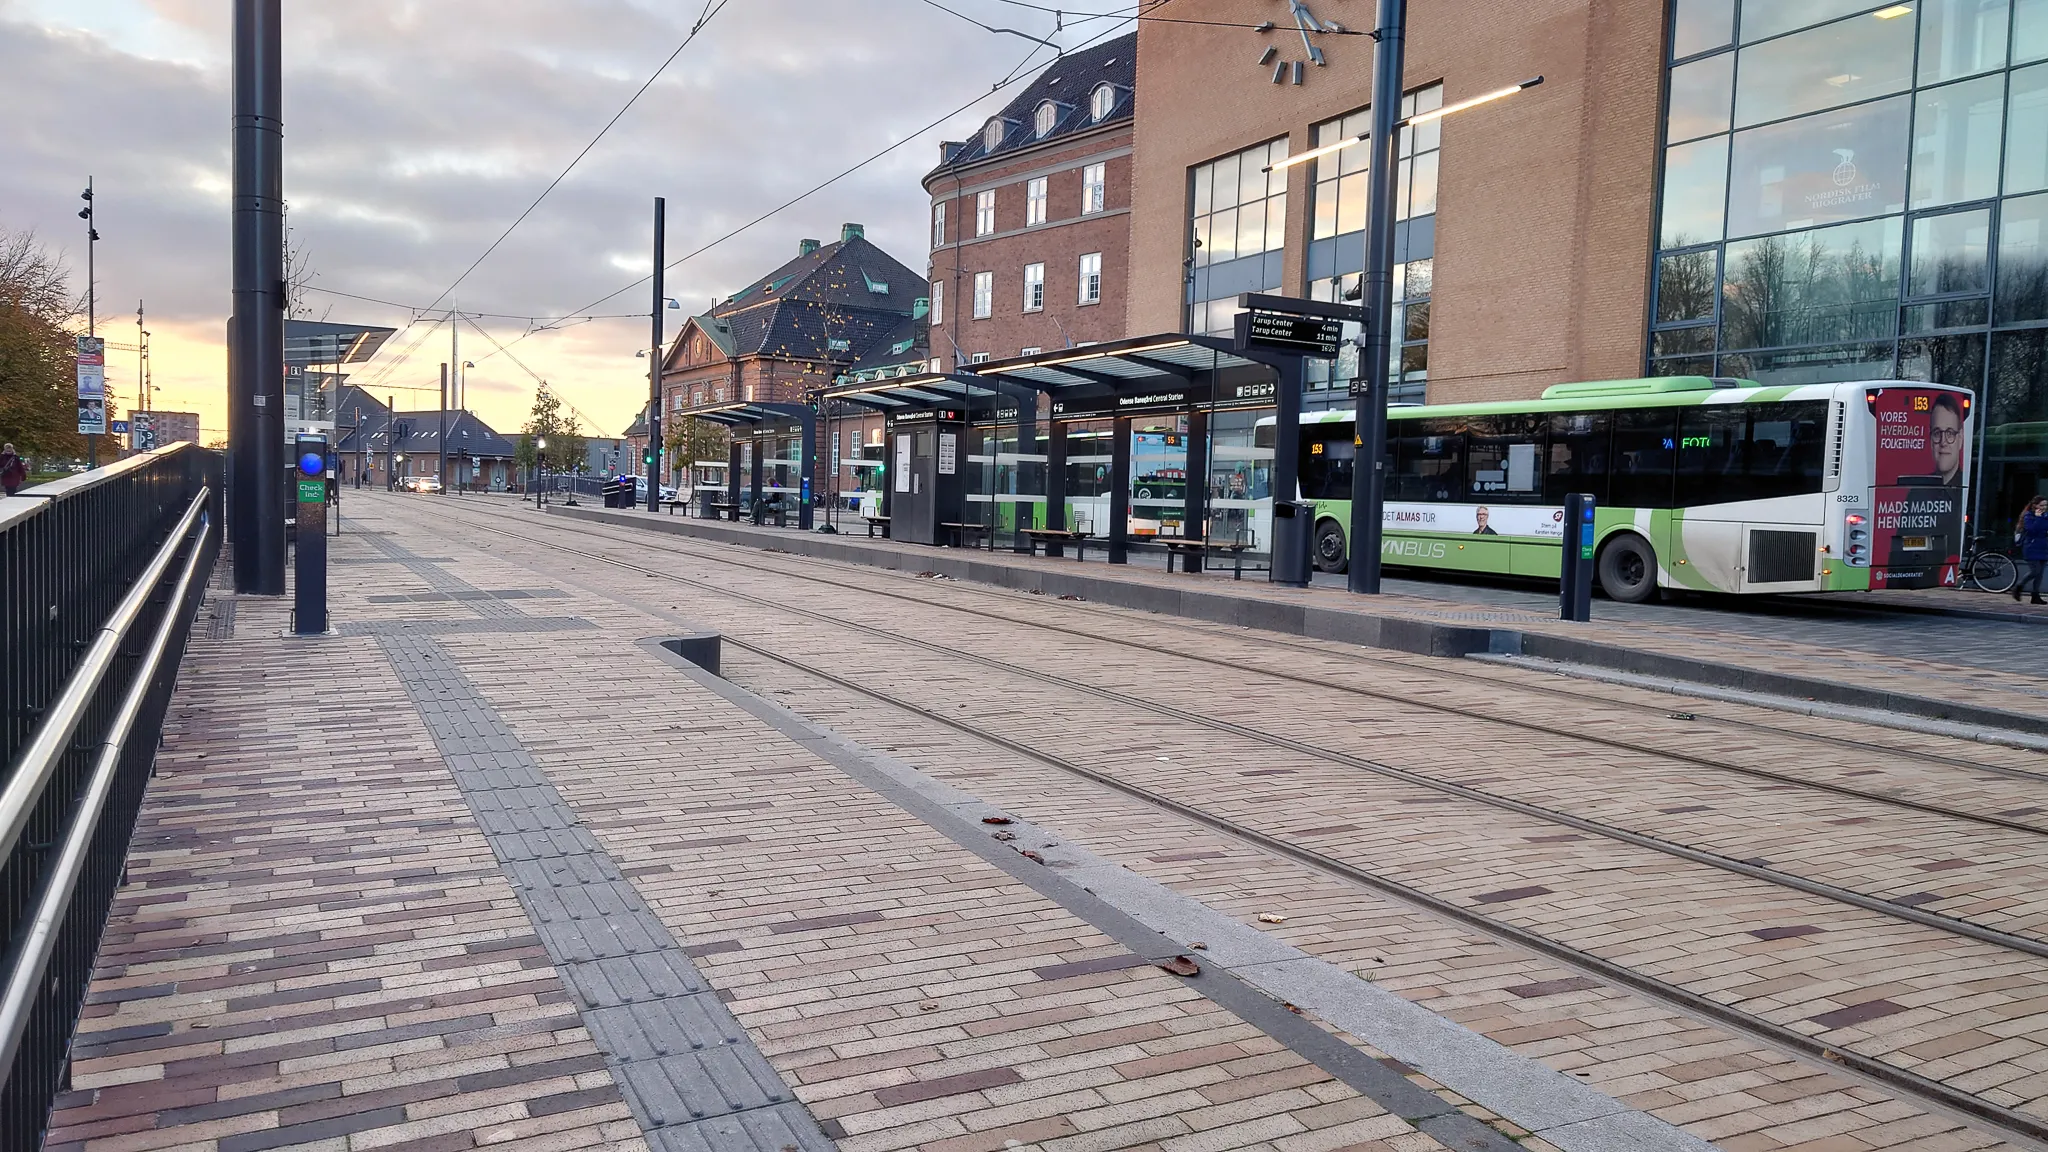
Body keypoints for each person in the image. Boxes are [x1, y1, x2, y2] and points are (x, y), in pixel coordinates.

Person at [2017, 496, 2048, 604]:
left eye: (2045, 505)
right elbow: (2032, 530)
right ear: (2035, 506)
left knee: (2040, 574)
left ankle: (2035, 596)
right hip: (2031, 546)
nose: (2044, 507)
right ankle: (2019, 586)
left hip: (2043, 547)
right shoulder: (2029, 516)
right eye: (2041, 505)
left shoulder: (2045, 516)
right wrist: (2038, 518)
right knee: (2035, 571)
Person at [1931, 393, 1965, 486]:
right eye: (1937, 433)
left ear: (1960, 438)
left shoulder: (1970, 487)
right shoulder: (1915, 492)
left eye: (1950, 433)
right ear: (1931, 442)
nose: (1943, 442)